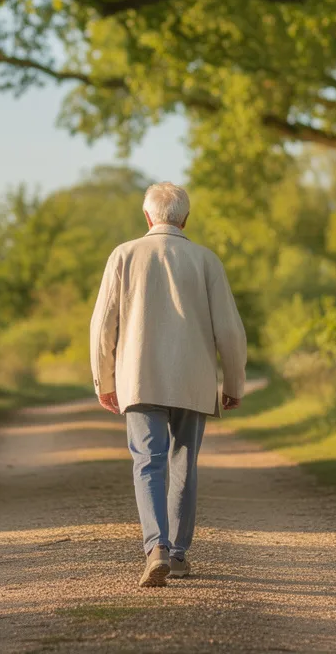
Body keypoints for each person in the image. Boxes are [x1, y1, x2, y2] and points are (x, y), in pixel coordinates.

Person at [89, 182, 247, 588]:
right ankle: (177, 555)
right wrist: (233, 382)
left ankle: (155, 547)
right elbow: (229, 330)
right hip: (193, 380)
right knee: (183, 463)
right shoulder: (206, 260)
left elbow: (103, 326)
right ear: (185, 218)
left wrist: (104, 379)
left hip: (139, 378)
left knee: (148, 461)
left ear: (147, 217)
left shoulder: (123, 255)